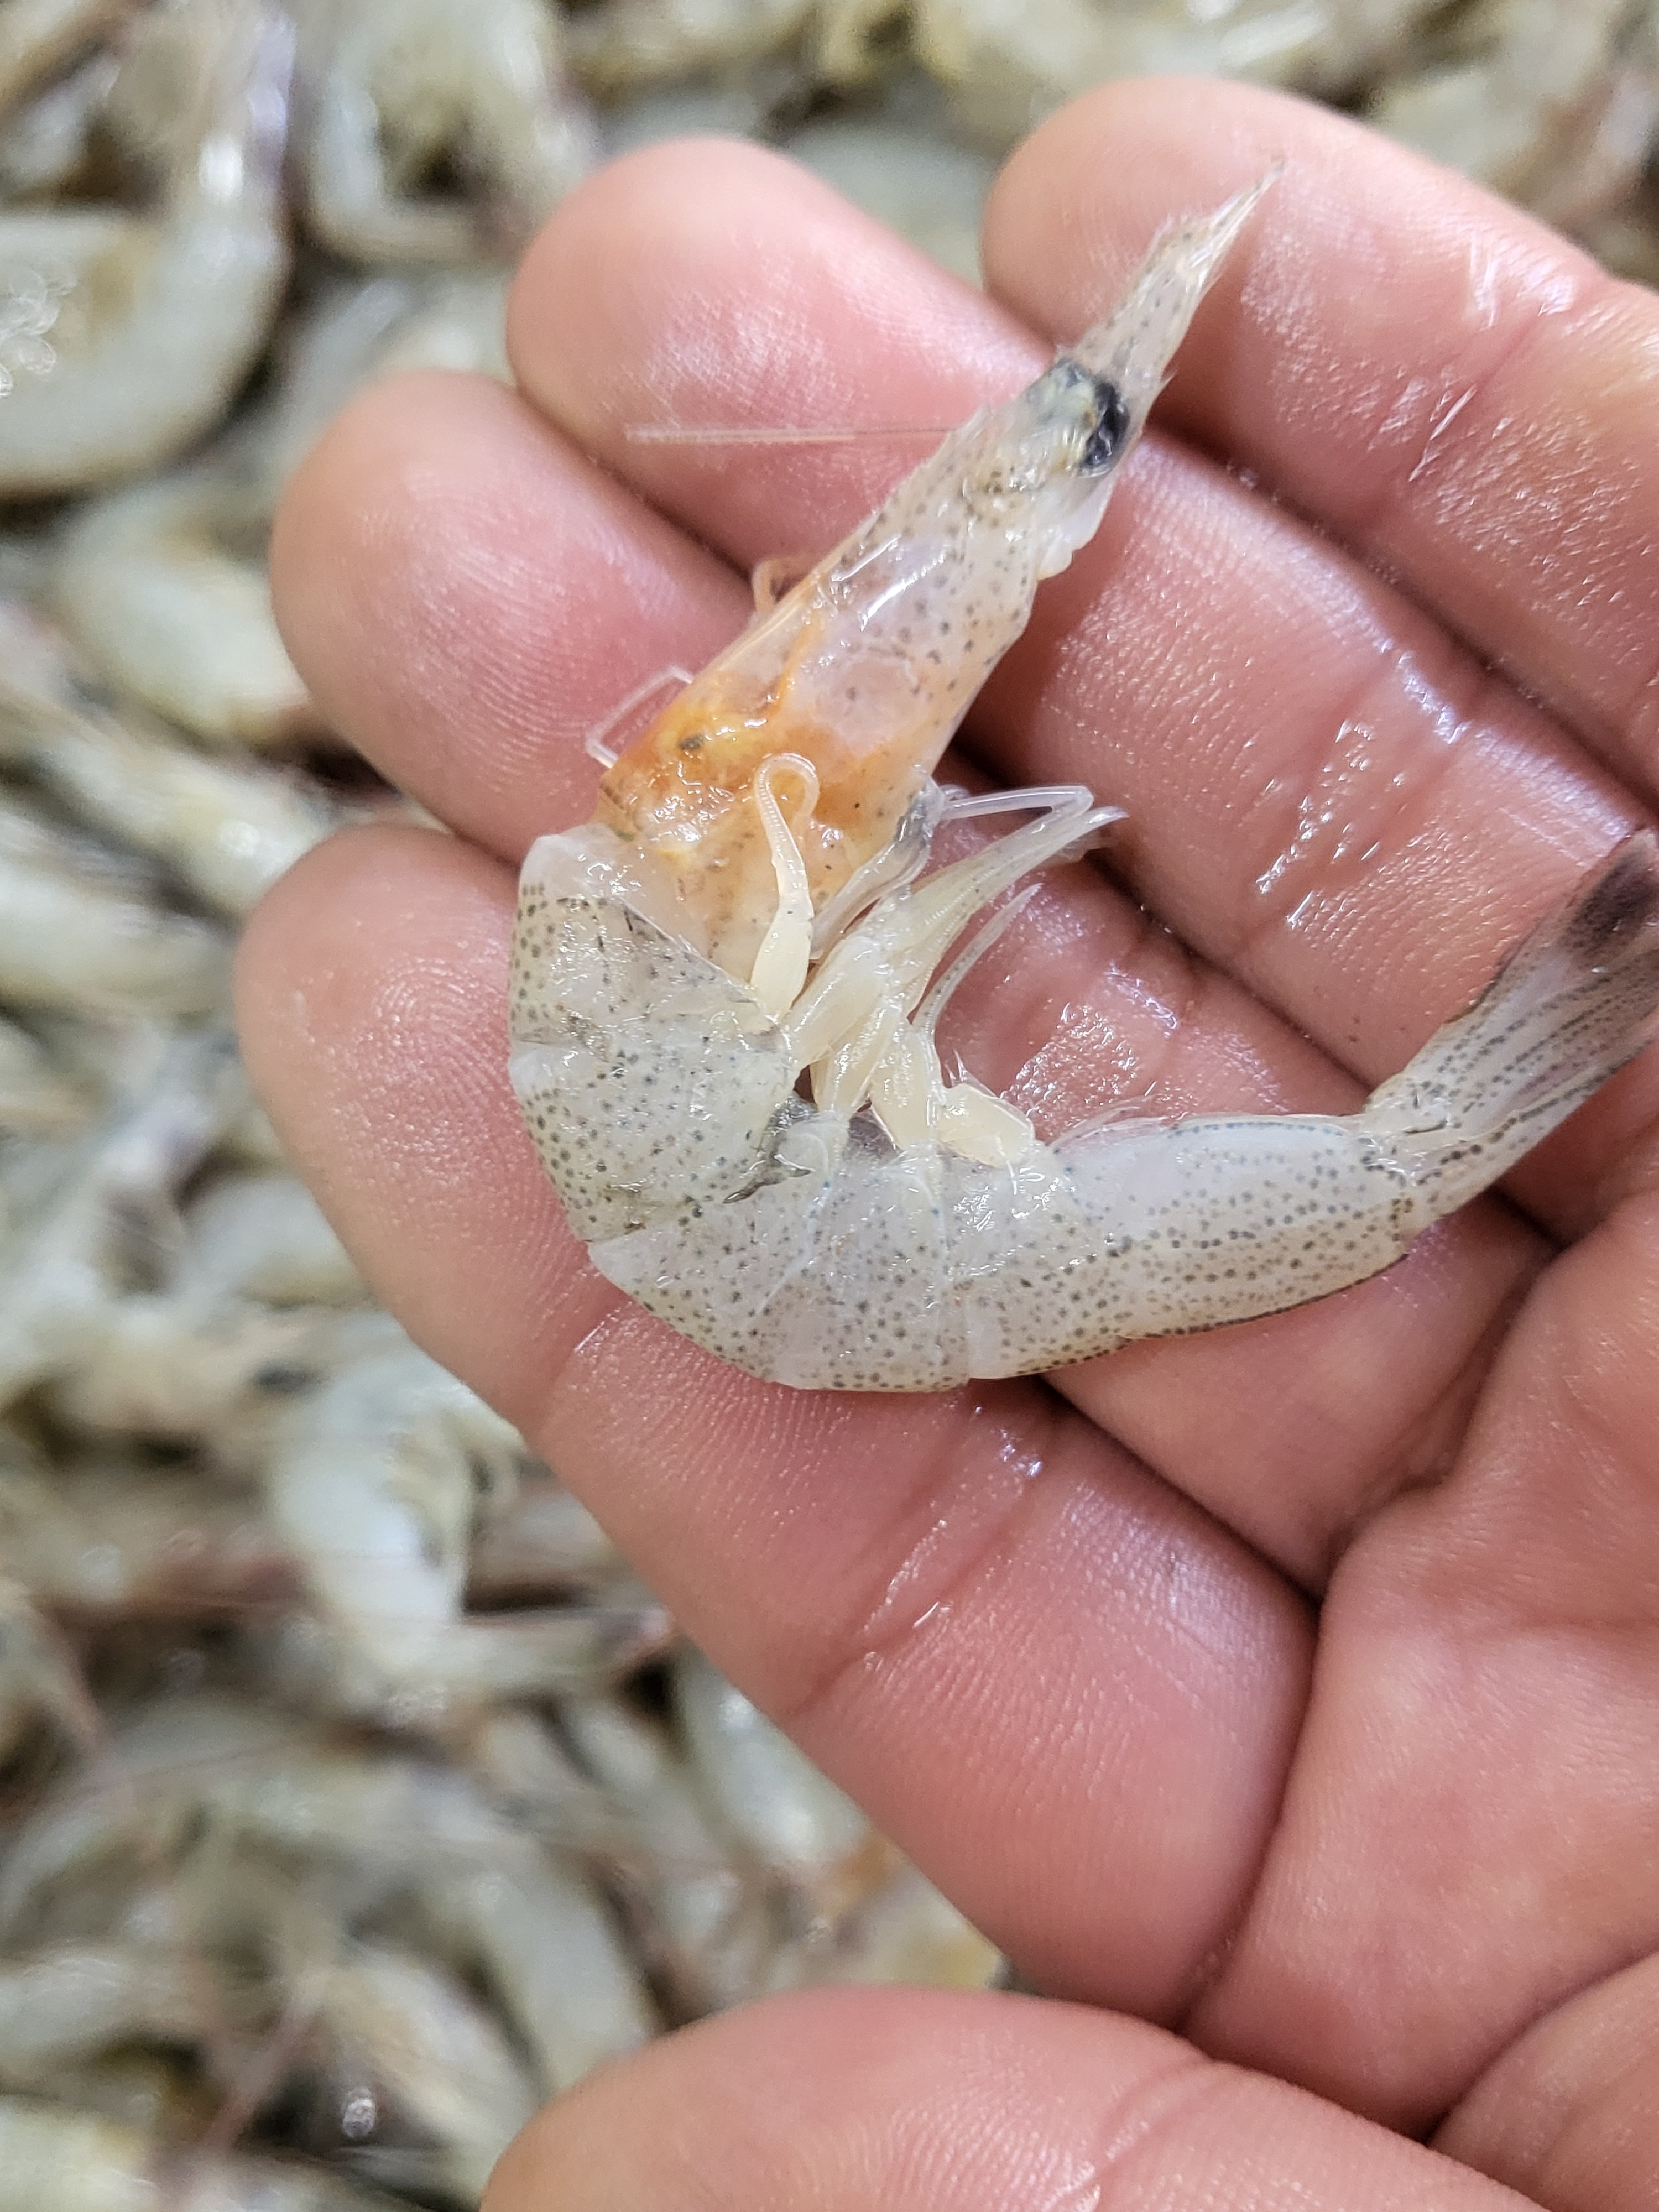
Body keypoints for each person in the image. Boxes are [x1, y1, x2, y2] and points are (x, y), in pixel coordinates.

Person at [243, 75, 1659, 2212]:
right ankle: (1461, 1106)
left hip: (815, 1176)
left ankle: (1459, 1101)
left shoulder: (686, 894)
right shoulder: (701, 917)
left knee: (815, 771)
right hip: (852, 1234)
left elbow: (806, 847)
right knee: (836, 796)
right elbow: (813, 880)